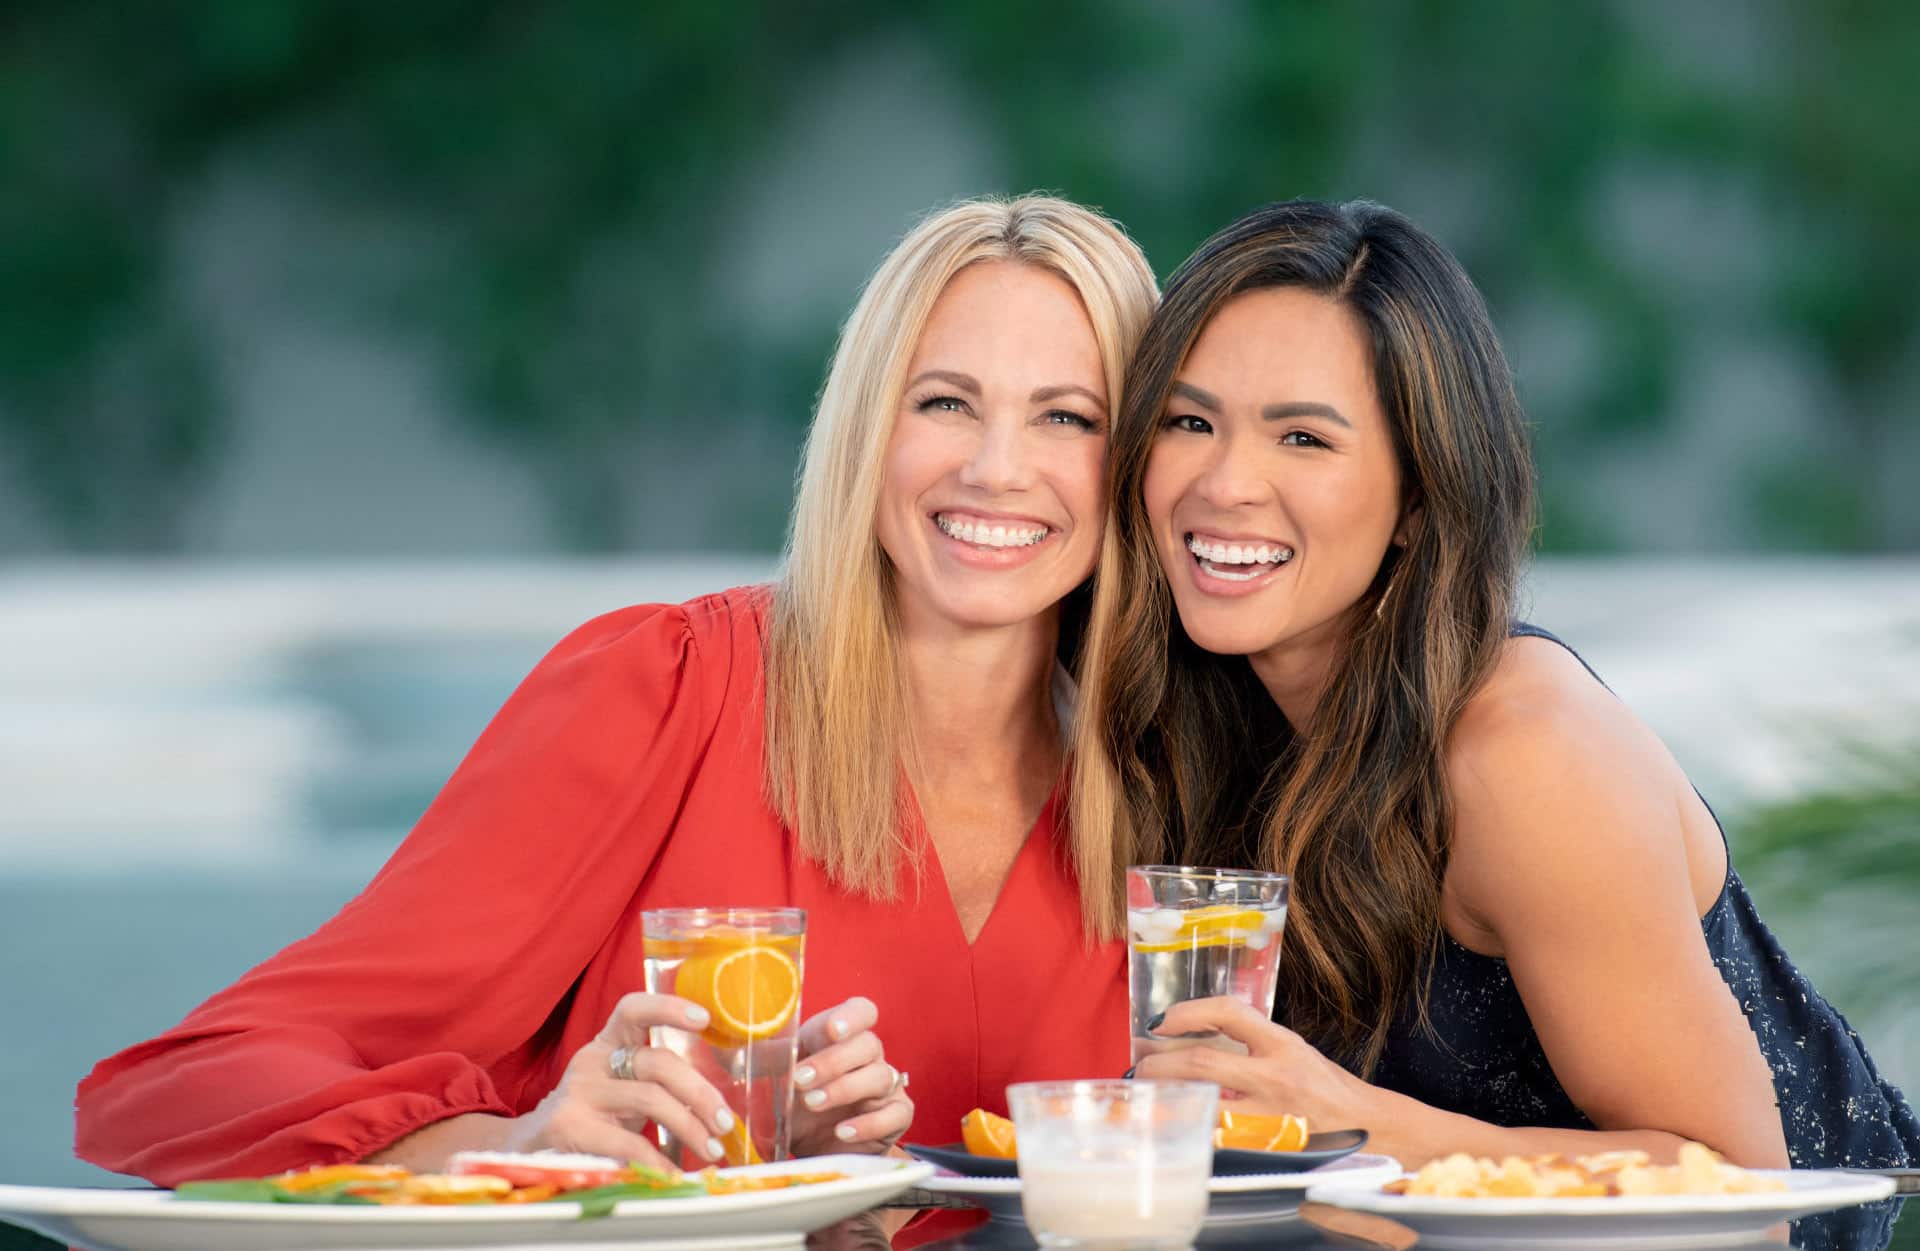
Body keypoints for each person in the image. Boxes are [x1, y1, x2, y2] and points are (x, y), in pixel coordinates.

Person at [78, 195, 1159, 1209]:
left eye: (1068, 417)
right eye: (944, 402)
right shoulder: (669, 689)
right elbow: (191, 1081)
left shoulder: (1179, 793)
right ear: (867, 428)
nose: (998, 468)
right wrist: (519, 1151)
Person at [1072, 199, 1917, 1217]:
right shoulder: (1210, 725)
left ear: (1418, 498)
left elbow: (1748, 1195)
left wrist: (1353, 1123)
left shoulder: (1523, 752)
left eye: (1303, 438)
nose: (1225, 482)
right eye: (1188, 422)